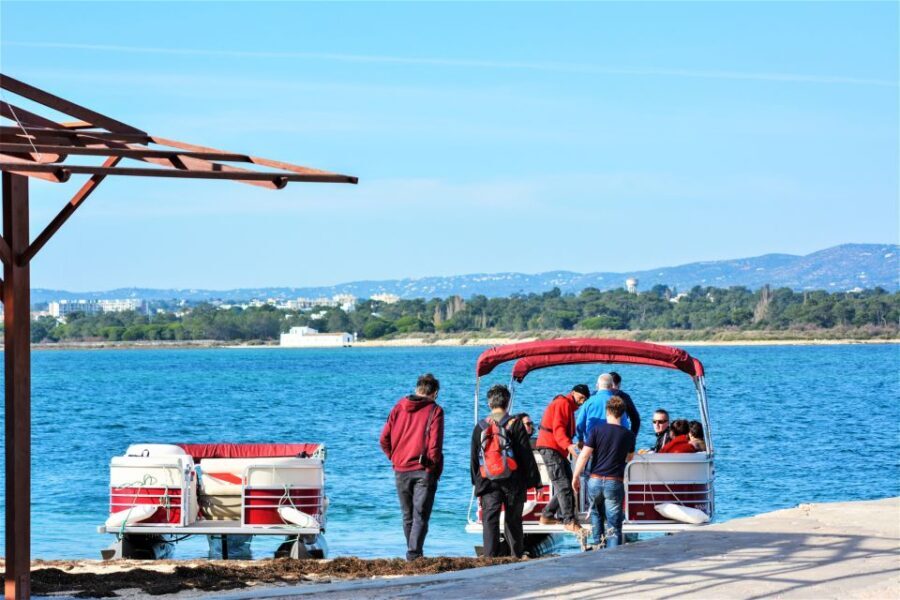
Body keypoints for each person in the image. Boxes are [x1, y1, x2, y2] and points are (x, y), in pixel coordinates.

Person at [470, 385, 542, 557]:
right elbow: (526, 456)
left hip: (488, 480)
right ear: (507, 403)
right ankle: (515, 555)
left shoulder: (480, 426)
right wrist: (535, 482)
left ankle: (489, 557)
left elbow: (474, 459)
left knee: (490, 520)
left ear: (489, 404)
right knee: (513, 521)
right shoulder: (515, 424)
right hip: (513, 481)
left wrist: (477, 483)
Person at [379, 373, 444, 560]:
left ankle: (413, 552)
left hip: (401, 468)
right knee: (420, 515)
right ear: (435, 393)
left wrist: (395, 457)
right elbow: (435, 445)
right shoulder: (435, 410)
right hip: (423, 469)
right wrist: (432, 466)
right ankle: (414, 554)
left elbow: (384, 439)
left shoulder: (398, 407)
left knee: (408, 515)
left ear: (418, 389)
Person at [572, 395, 635, 549]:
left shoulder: (596, 430)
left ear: (607, 411)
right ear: (623, 414)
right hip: (614, 481)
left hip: (595, 479)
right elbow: (629, 457)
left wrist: (575, 476)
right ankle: (613, 554)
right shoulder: (629, 435)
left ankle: (598, 547)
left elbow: (585, 455)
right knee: (614, 522)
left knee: (596, 515)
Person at [535, 383, 590, 534]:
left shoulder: (567, 406)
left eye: (585, 399)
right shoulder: (562, 403)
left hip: (555, 449)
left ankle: (547, 515)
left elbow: (563, 431)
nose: (582, 401)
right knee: (564, 485)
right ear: (572, 393)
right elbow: (558, 428)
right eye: (580, 397)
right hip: (550, 448)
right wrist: (569, 446)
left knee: (568, 483)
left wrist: (575, 443)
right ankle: (569, 521)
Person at [575, 374, 636, 452]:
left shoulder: (589, 402)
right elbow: (625, 425)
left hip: (591, 443)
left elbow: (579, 424)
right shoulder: (618, 402)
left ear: (597, 386)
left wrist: (580, 439)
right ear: (611, 386)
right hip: (613, 445)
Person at [609, 371, 642, 437]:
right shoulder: (624, 397)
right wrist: (632, 437)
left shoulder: (595, 396)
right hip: (620, 434)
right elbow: (636, 419)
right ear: (619, 384)